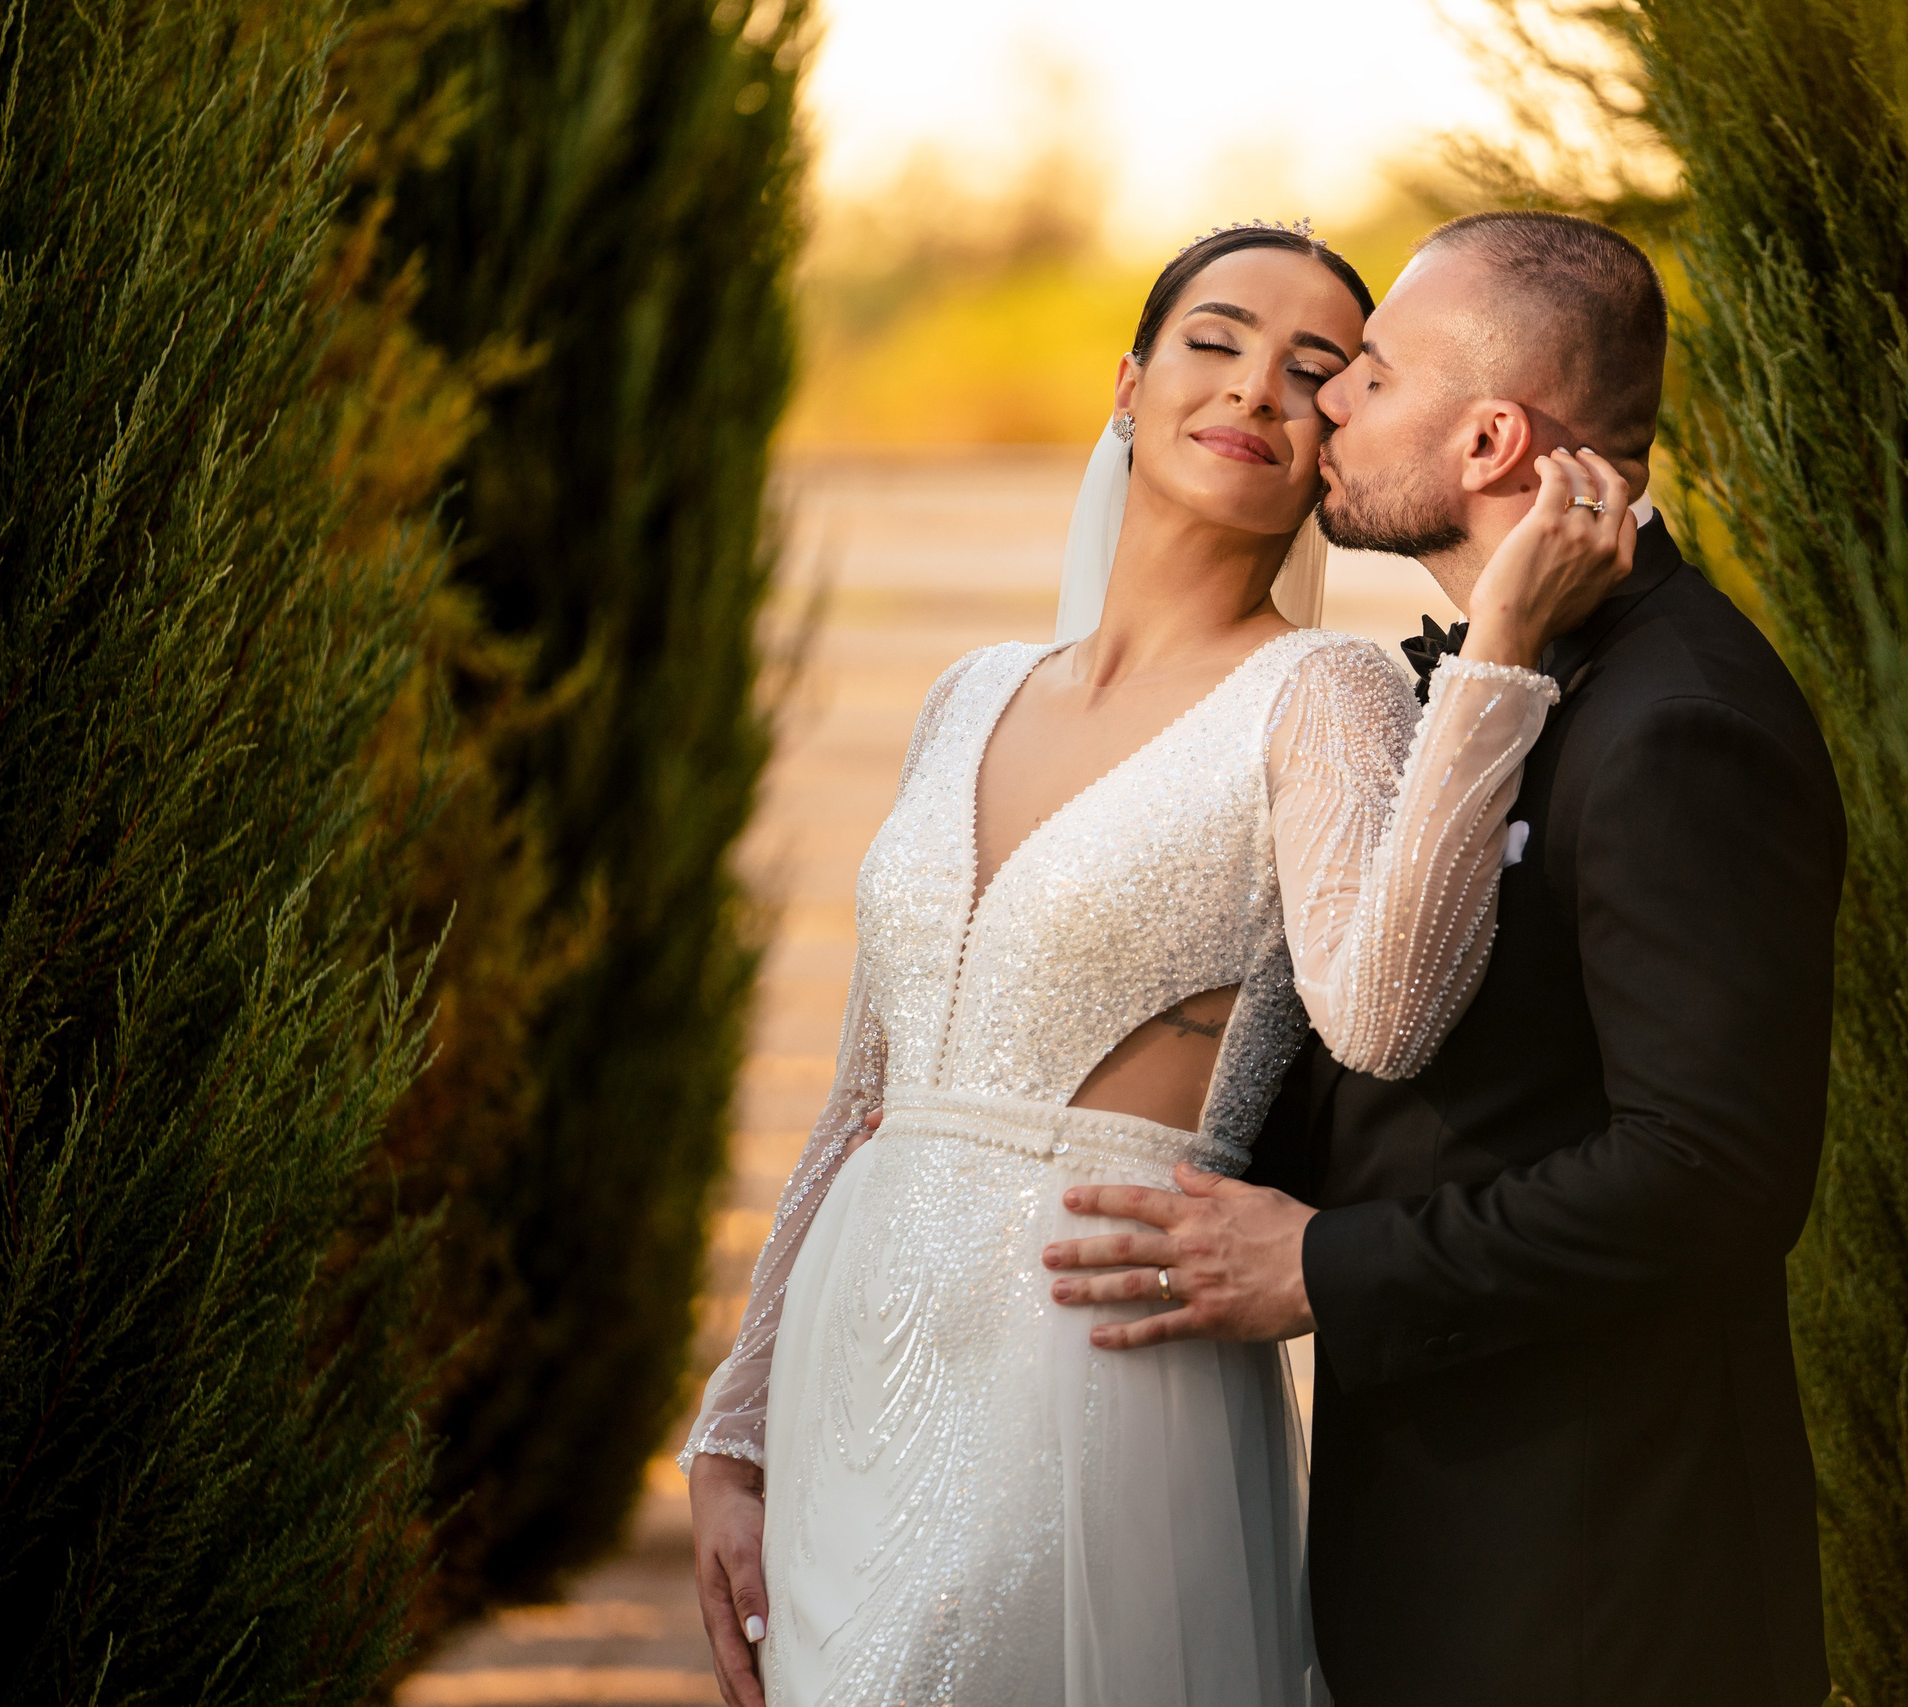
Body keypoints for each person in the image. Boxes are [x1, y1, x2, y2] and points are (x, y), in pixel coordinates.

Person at [681, 220, 1635, 1707]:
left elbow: (1387, 1016)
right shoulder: (971, 692)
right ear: (1130, 384)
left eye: (1313, 370)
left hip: (1085, 1351)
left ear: (1337, 442)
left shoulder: (1323, 694)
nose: (1256, 387)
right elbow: (863, 1093)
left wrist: (1499, 646)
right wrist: (735, 1430)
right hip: (852, 1367)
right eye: (1216, 340)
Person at [1041, 212, 1847, 1704]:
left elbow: (1711, 1176)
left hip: (1599, 1594)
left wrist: (1321, 1265)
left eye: (1371, 372)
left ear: (1490, 441)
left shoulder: (1680, 721)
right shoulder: (1489, 680)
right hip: (1430, 1556)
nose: (1326, 401)